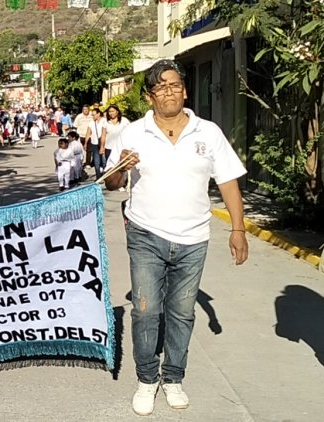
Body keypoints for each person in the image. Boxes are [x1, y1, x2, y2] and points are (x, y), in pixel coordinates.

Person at [103, 60, 249, 417]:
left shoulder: (208, 132)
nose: (168, 92)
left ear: (184, 90)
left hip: (194, 237)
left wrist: (238, 228)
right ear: (150, 97)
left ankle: (173, 378)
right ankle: (147, 379)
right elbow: (111, 183)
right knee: (146, 310)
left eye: (174, 85)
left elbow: (227, 180)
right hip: (145, 233)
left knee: (182, 312)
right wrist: (121, 167)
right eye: (160, 87)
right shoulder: (133, 133)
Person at [84, 108, 106, 179]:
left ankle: (106, 176)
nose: (92, 116)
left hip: (103, 143)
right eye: (92, 115)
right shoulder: (91, 122)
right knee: (96, 161)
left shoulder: (104, 121)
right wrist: (86, 143)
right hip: (94, 143)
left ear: (98, 114)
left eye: (94, 115)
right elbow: (88, 133)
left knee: (104, 161)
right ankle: (98, 177)